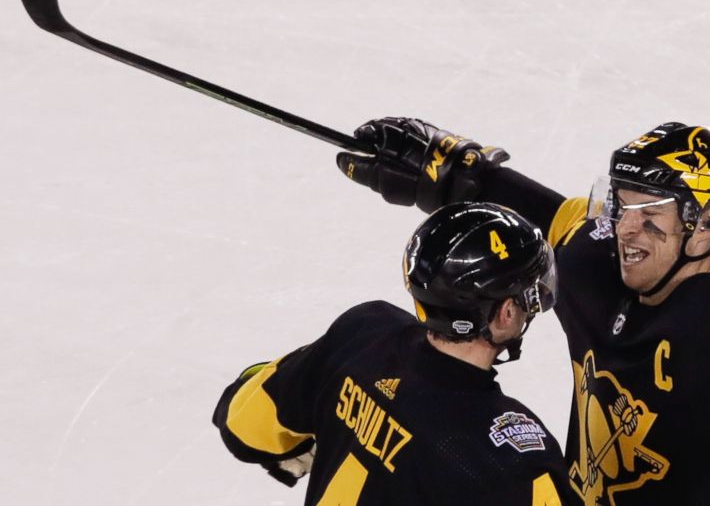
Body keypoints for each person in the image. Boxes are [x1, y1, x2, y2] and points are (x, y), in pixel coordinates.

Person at [335, 118, 710, 505]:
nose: (625, 231)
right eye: (621, 205)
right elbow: (537, 209)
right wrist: (447, 174)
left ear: (707, 221)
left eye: (651, 212)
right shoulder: (591, 260)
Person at [213, 202, 575, 506]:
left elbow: (242, 426)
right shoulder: (516, 458)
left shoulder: (363, 332)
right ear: (506, 313)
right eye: (531, 293)